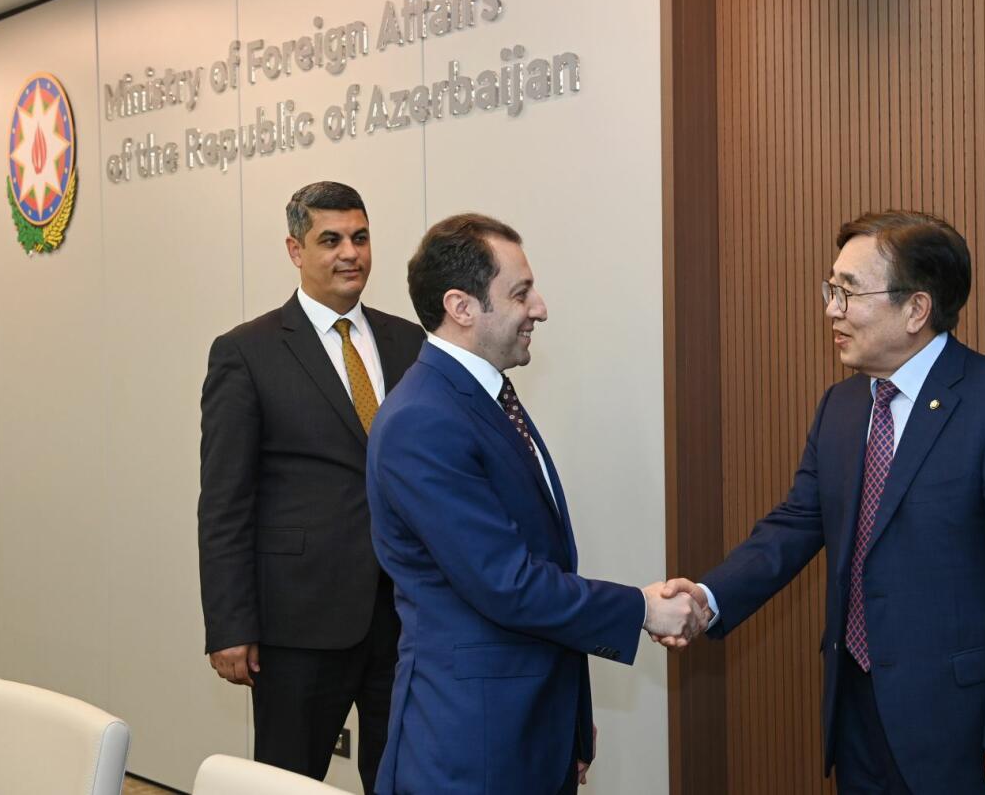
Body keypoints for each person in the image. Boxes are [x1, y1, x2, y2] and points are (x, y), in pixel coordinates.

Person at [660, 210, 985, 795]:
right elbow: (795, 524)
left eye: (849, 292)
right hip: (856, 711)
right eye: (831, 290)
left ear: (916, 309)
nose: (832, 310)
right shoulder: (842, 406)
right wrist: (709, 598)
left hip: (963, 725)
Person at [366, 212, 705, 794]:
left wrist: (567, 719)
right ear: (461, 306)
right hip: (473, 743)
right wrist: (642, 610)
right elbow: (507, 583)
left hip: (528, 724)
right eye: (520, 293)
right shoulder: (422, 419)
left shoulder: (484, 396)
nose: (540, 308)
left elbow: (542, 565)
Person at [197, 181, 425, 791]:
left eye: (360, 237)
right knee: (287, 782)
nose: (350, 253)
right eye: (331, 240)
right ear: (296, 250)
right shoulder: (246, 352)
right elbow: (224, 503)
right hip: (298, 623)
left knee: (403, 778)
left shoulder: (409, 342)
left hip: (405, 616)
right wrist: (230, 624)